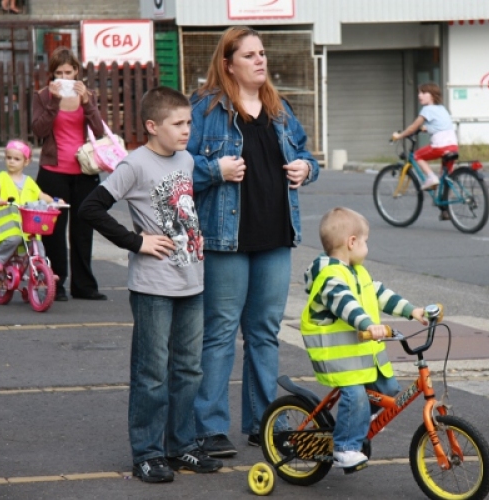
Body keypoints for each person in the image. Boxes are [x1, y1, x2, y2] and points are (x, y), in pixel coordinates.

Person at [188, 26, 319, 458]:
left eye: (262, 53)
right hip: (227, 240)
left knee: (264, 333)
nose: (260, 60)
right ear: (228, 64)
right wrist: (214, 171)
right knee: (221, 333)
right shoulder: (205, 109)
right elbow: (174, 166)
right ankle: (209, 427)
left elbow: (307, 155)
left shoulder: (279, 109)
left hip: (275, 236)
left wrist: (305, 168)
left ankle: (264, 422)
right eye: (249, 55)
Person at [79, 86, 222, 482]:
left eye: (189, 122)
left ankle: (181, 446)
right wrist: (136, 240)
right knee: (152, 373)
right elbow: (91, 207)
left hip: (192, 281)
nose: (186, 130)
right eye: (178, 124)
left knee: (189, 370)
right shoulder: (135, 165)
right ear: (152, 126)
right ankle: (147, 452)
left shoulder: (188, 161)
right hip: (153, 287)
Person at [301, 207, 427, 469]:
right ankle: (344, 448)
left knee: (388, 389)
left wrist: (412, 311)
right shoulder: (330, 276)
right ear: (352, 242)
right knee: (357, 396)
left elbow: (381, 294)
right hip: (338, 358)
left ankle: (356, 422)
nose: (367, 246)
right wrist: (370, 325)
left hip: (361, 356)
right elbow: (346, 305)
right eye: (366, 241)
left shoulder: (359, 272)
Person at [32, 47, 105, 302]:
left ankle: (84, 286)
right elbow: (39, 131)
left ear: (76, 71)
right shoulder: (42, 96)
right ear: (52, 75)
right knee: (53, 232)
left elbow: (99, 129)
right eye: (58, 73)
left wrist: (87, 103)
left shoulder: (88, 95)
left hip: (84, 172)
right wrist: (53, 103)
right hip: (53, 173)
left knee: (83, 229)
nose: (64, 76)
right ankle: (56, 283)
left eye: (68, 71)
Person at [0, 140, 62, 271]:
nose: (11, 161)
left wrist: (54, 201)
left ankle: (42, 271)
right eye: (8, 158)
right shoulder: (2, 177)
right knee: (14, 239)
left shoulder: (29, 181)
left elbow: (41, 195)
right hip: (8, 225)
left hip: (28, 224)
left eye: (16, 159)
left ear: (26, 162)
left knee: (38, 244)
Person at [392, 82, 458, 192]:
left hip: (440, 146)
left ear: (432, 95)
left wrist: (399, 136)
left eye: (423, 92)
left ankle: (431, 177)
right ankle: (445, 206)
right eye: (418, 93)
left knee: (417, 156)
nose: (419, 95)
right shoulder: (442, 108)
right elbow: (440, 125)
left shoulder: (427, 110)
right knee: (446, 177)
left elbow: (412, 128)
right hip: (453, 146)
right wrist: (426, 128)